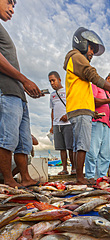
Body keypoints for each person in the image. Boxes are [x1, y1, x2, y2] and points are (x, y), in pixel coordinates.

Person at [63, 27, 110, 185]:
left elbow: (83, 92)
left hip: (83, 110)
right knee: (83, 145)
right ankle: (80, 178)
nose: (92, 52)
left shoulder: (76, 59)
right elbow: (93, 76)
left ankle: (82, 177)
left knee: (82, 145)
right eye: (91, 48)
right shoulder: (76, 56)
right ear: (82, 43)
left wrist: (92, 112)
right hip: (79, 110)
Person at [0, 0, 42, 188]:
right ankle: (8, 180)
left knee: (23, 141)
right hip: (6, 90)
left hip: (18, 93)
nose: (12, 9)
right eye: (9, 2)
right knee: (8, 137)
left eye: (14, 6)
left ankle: (25, 177)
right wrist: (24, 79)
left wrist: (23, 85)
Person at [84, 72, 110, 180]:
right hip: (96, 122)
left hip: (107, 125)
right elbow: (92, 101)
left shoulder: (109, 94)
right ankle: (90, 177)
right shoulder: (95, 86)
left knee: (105, 155)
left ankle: (102, 178)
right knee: (92, 152)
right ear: (108, 79)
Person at [48, 71, 75, 176]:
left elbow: (73, 106)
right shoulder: (52, 95)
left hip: (68, 123)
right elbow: (53, 110)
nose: (52, 83)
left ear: (59, 80)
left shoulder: (68, 91)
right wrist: (52, 125)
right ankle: (64, 169)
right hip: (57, 125)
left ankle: (74, 168)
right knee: (61, 148)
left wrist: (68, 115)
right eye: (50, 81)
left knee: (71, 147)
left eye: (53, 80)